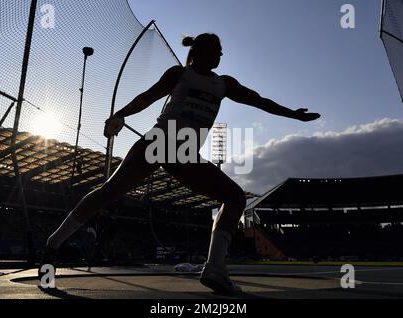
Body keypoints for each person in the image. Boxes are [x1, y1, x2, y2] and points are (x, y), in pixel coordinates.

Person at [39, 33, 320, 294]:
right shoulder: (179, 74)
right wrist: (119, 115)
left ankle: (215, 270)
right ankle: (53, 244)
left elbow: (259, 101)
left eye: (222, 52)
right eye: (215, 50)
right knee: (109, 191)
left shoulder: (225, 84)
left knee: (234, 197)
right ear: (198, 52)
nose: (220, 56)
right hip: (159, 142)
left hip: (184, 154)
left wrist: (293, 115)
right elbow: (146, 98)